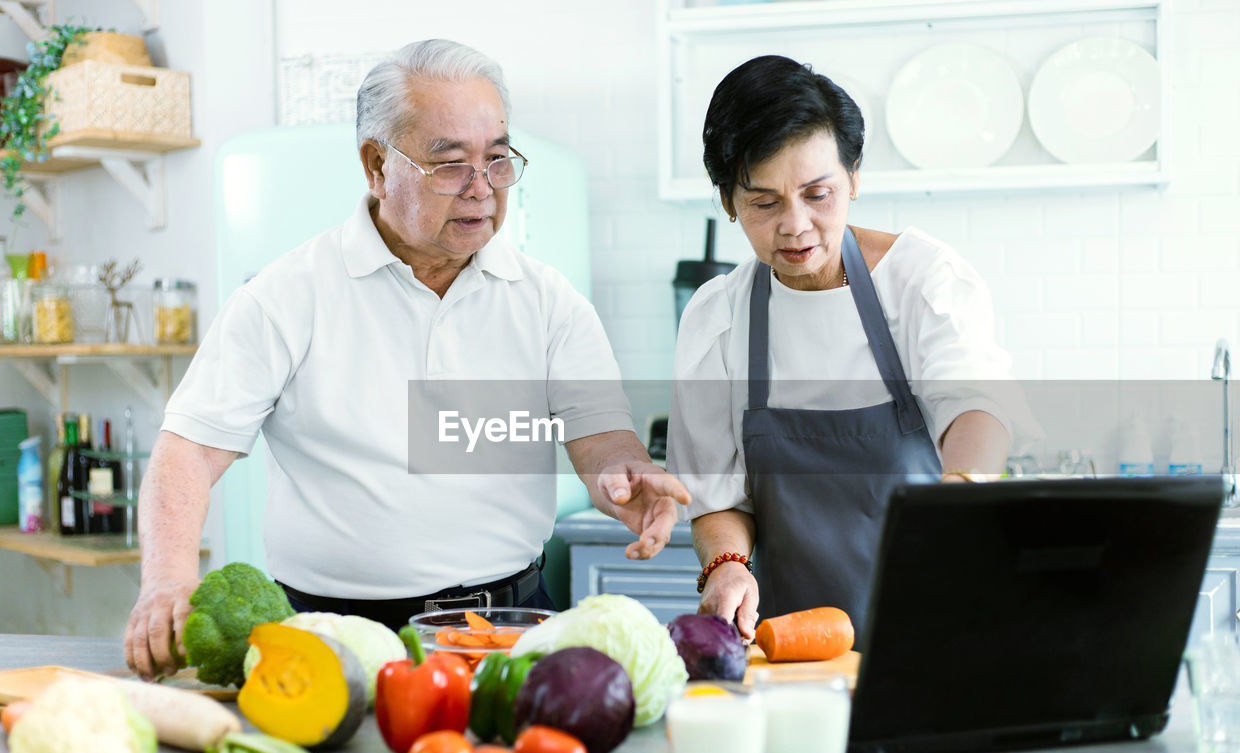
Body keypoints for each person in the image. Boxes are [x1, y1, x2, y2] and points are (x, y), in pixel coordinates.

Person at [125, 39, 689, 679]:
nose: (481, 189)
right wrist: (166, 580)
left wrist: (628, 479)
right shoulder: (284, 296)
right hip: (336, 642)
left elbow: (601, 440)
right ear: (375, 165)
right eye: (450, 164)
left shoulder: (548, 300)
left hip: (511, 627)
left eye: (498, 160)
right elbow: (189, 452)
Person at [667, 55, 1036, 643]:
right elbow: (717, 493)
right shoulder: (718, 317)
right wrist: (726, 567)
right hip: (795, 645)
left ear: (854, 178)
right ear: (728, 200)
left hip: (941, 626)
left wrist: (959, 496)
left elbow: (976, 406)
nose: (796, 225)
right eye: (764, 203)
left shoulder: (921, 280)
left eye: (818, 194)